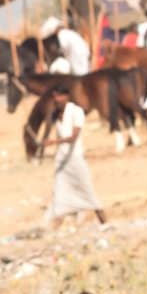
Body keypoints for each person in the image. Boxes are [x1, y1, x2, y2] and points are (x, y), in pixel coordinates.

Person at [47, 87, 105, 227]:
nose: (57, 100)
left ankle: (104, 221)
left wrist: (54, 142)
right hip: (62, 160)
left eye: (60, 96)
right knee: (60, 191)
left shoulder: (76, 112)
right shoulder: (56, 114)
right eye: (55, 97)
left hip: (75, 157)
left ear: (67, 96)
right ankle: (55, 227)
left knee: (87, 189)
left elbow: (73, 137)